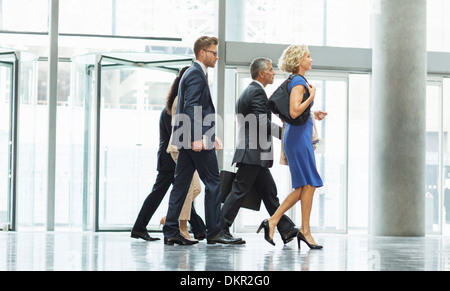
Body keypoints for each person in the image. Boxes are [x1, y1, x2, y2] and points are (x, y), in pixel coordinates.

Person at [163, 36, 242, 245]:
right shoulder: (196, 74)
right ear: (202, 53)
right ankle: (214, 232)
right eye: (214, 53)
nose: (217, 56)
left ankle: (171, 231)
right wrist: (198, 138)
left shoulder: (192, 73)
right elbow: (191, 107)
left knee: (180, 186)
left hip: (187, 140)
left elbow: (196, 108)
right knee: (214, 184)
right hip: (194, 142)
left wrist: (210, 136)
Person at [221, 57, 299, 245]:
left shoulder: (250, 91)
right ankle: (219, 229)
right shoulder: (256, 92)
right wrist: (285, 134)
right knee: (239, 191)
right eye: (271, 70)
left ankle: (285, 229)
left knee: (269, 193)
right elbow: (261, 123)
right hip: (253, 153)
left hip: (254, 153)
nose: (274, 73)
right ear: (262, 73)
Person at [259, 44, 327, 249]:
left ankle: (293, 227)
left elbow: (296, 113)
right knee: (310, 183)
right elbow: (295, 111)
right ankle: (290, 226)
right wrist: (312, 97)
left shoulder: (297, 81)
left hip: (299, 136)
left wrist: (314, 113)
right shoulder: (298, 81)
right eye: (308, 56)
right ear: (299, 60)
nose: (311, 59)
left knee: (307, 185)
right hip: (298, 138)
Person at [130, 68, 206, 242]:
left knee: (182, 192)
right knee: (174, 192)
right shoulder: (173, 109)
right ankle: (173, 224)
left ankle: (196, 228)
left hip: (170, 157)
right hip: (171, 158)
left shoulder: (172, 107)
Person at [161, 66, 203, 240]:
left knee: (192, 188)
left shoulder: (184, 97)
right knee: (190, 187)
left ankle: (170, 219)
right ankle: (182, 226)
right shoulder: (182, 98)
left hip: (183, 146)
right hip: (180, 147)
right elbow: (186, 124)